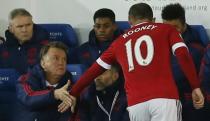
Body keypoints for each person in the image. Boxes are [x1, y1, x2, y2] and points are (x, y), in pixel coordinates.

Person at [66, 3, 204, 121]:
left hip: (136, 104)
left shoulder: (118, 42)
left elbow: (94, 70)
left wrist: (74, 92)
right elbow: (182, 54)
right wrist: (195, 86)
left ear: (129, 21)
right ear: (153, 19)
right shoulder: (166, 29)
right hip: (164, 98)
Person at [161, 3, 207, 121]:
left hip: (184, 101)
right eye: (167, 27)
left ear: (184, 24)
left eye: (175, 27)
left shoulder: (196, 50)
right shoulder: (157, 42)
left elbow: (176, 77)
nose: (170, 32)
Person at [14, 41, 75, 121]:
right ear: (43, 63)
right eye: (55, 58)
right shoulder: (26, 79)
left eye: (64, 59)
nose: (61, 62)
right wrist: (54, 94)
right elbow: (28, 97)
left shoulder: (70, 84)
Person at [0, 8, 49, 74]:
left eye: (28, 25)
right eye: (20, 26)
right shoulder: (2, 49)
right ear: (11, 29)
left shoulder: (48, 48)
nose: (25, 30)